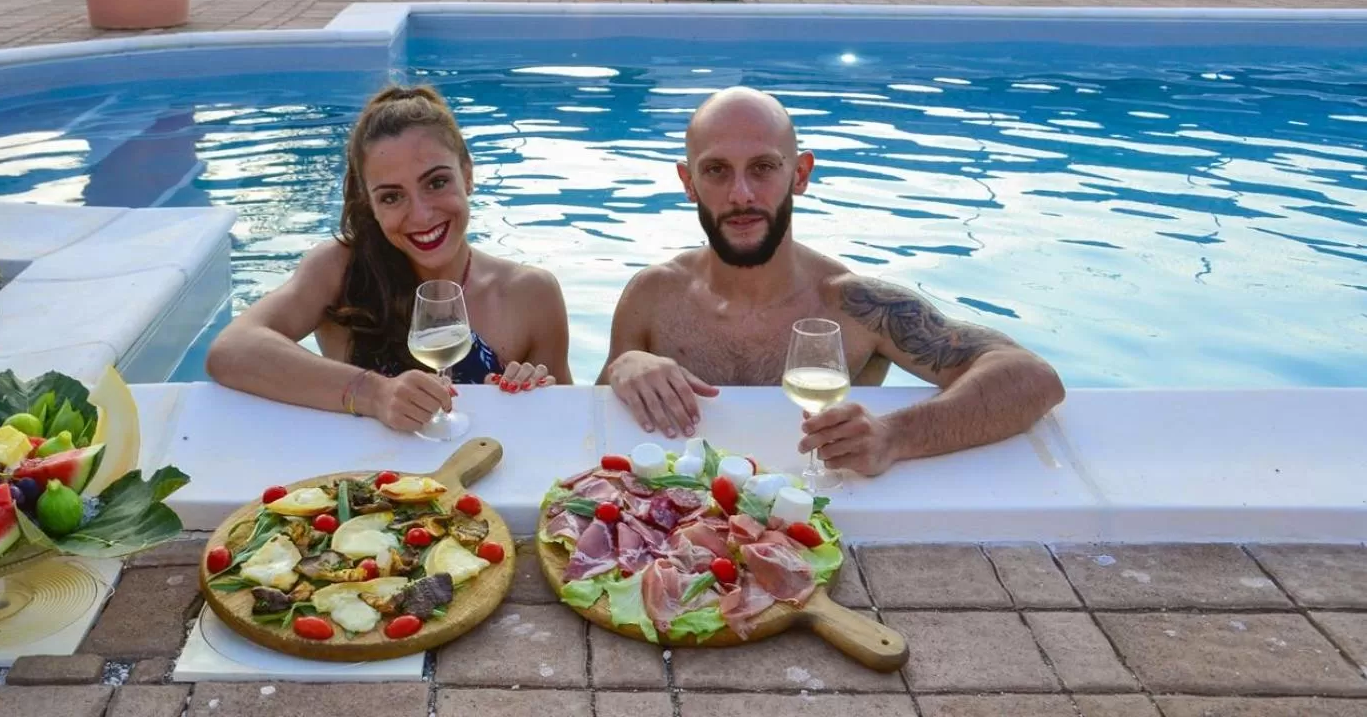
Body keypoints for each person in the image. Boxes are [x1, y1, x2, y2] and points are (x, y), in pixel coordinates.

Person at [600, 86, 1065, 476]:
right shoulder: (653, 297)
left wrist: (893, 435)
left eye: (763, 168)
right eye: (716, 170)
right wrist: (625, 367)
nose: (741, 195)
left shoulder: (855, 305)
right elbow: (590, 419)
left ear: (799, 174)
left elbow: (1031, 378)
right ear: (688, 182)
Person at [207, 85, 572, 432]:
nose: (422, 215)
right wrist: (374, 394)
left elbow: (564, 426)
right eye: (392, 197)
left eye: (436, 182)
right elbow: (231, 349)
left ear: (468, 174)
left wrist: (529, 394)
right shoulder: (341, 272)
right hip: (363, 487)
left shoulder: (530, 294)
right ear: (370, 205)